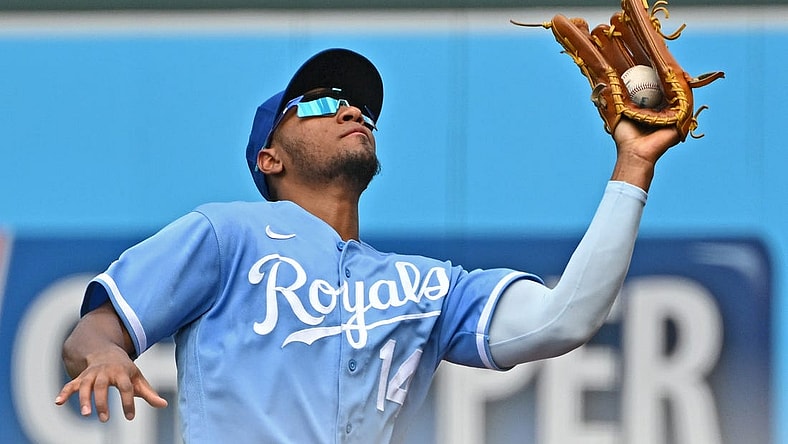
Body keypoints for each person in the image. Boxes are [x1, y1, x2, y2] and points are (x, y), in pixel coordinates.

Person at [55, 48, 680, 443]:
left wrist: (632, 166)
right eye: (322, 102)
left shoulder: (430, 285)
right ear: (270, 157)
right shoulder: (228, 233)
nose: (352, 110)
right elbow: (91, 334)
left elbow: (562, 318)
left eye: (360, 107)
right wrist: (107, 356)